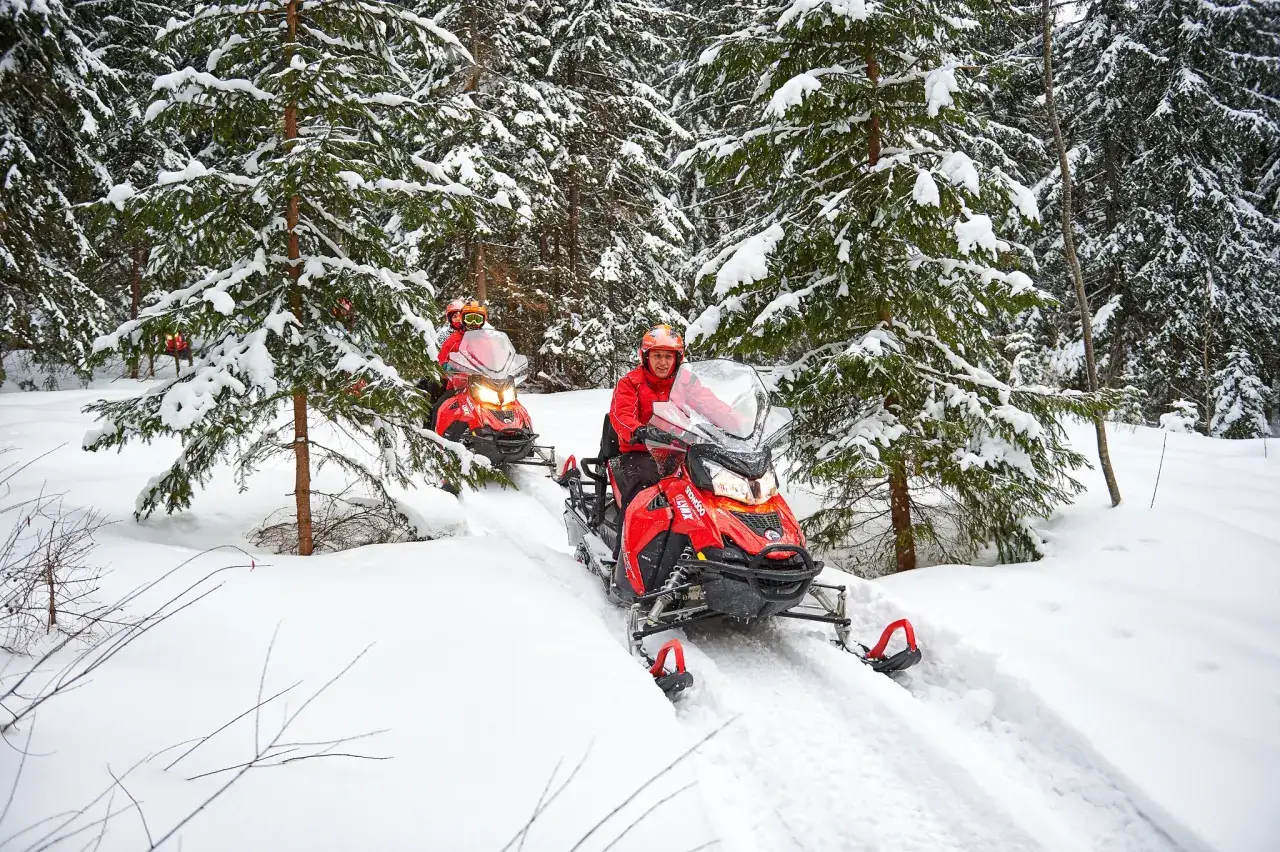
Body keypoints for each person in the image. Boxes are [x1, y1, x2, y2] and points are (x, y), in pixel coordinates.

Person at [607, 325, 686, 516]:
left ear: (677, 359)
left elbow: (711, 404)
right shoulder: (631, 382)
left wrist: (738, 422)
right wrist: (638, 431)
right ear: (645, 356)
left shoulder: (686, 382)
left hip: (682, 451)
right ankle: (627, 543)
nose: (663, 362)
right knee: (643, 486)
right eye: (657, 356)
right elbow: (621, 414)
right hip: (641, 451)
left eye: (668, 356)